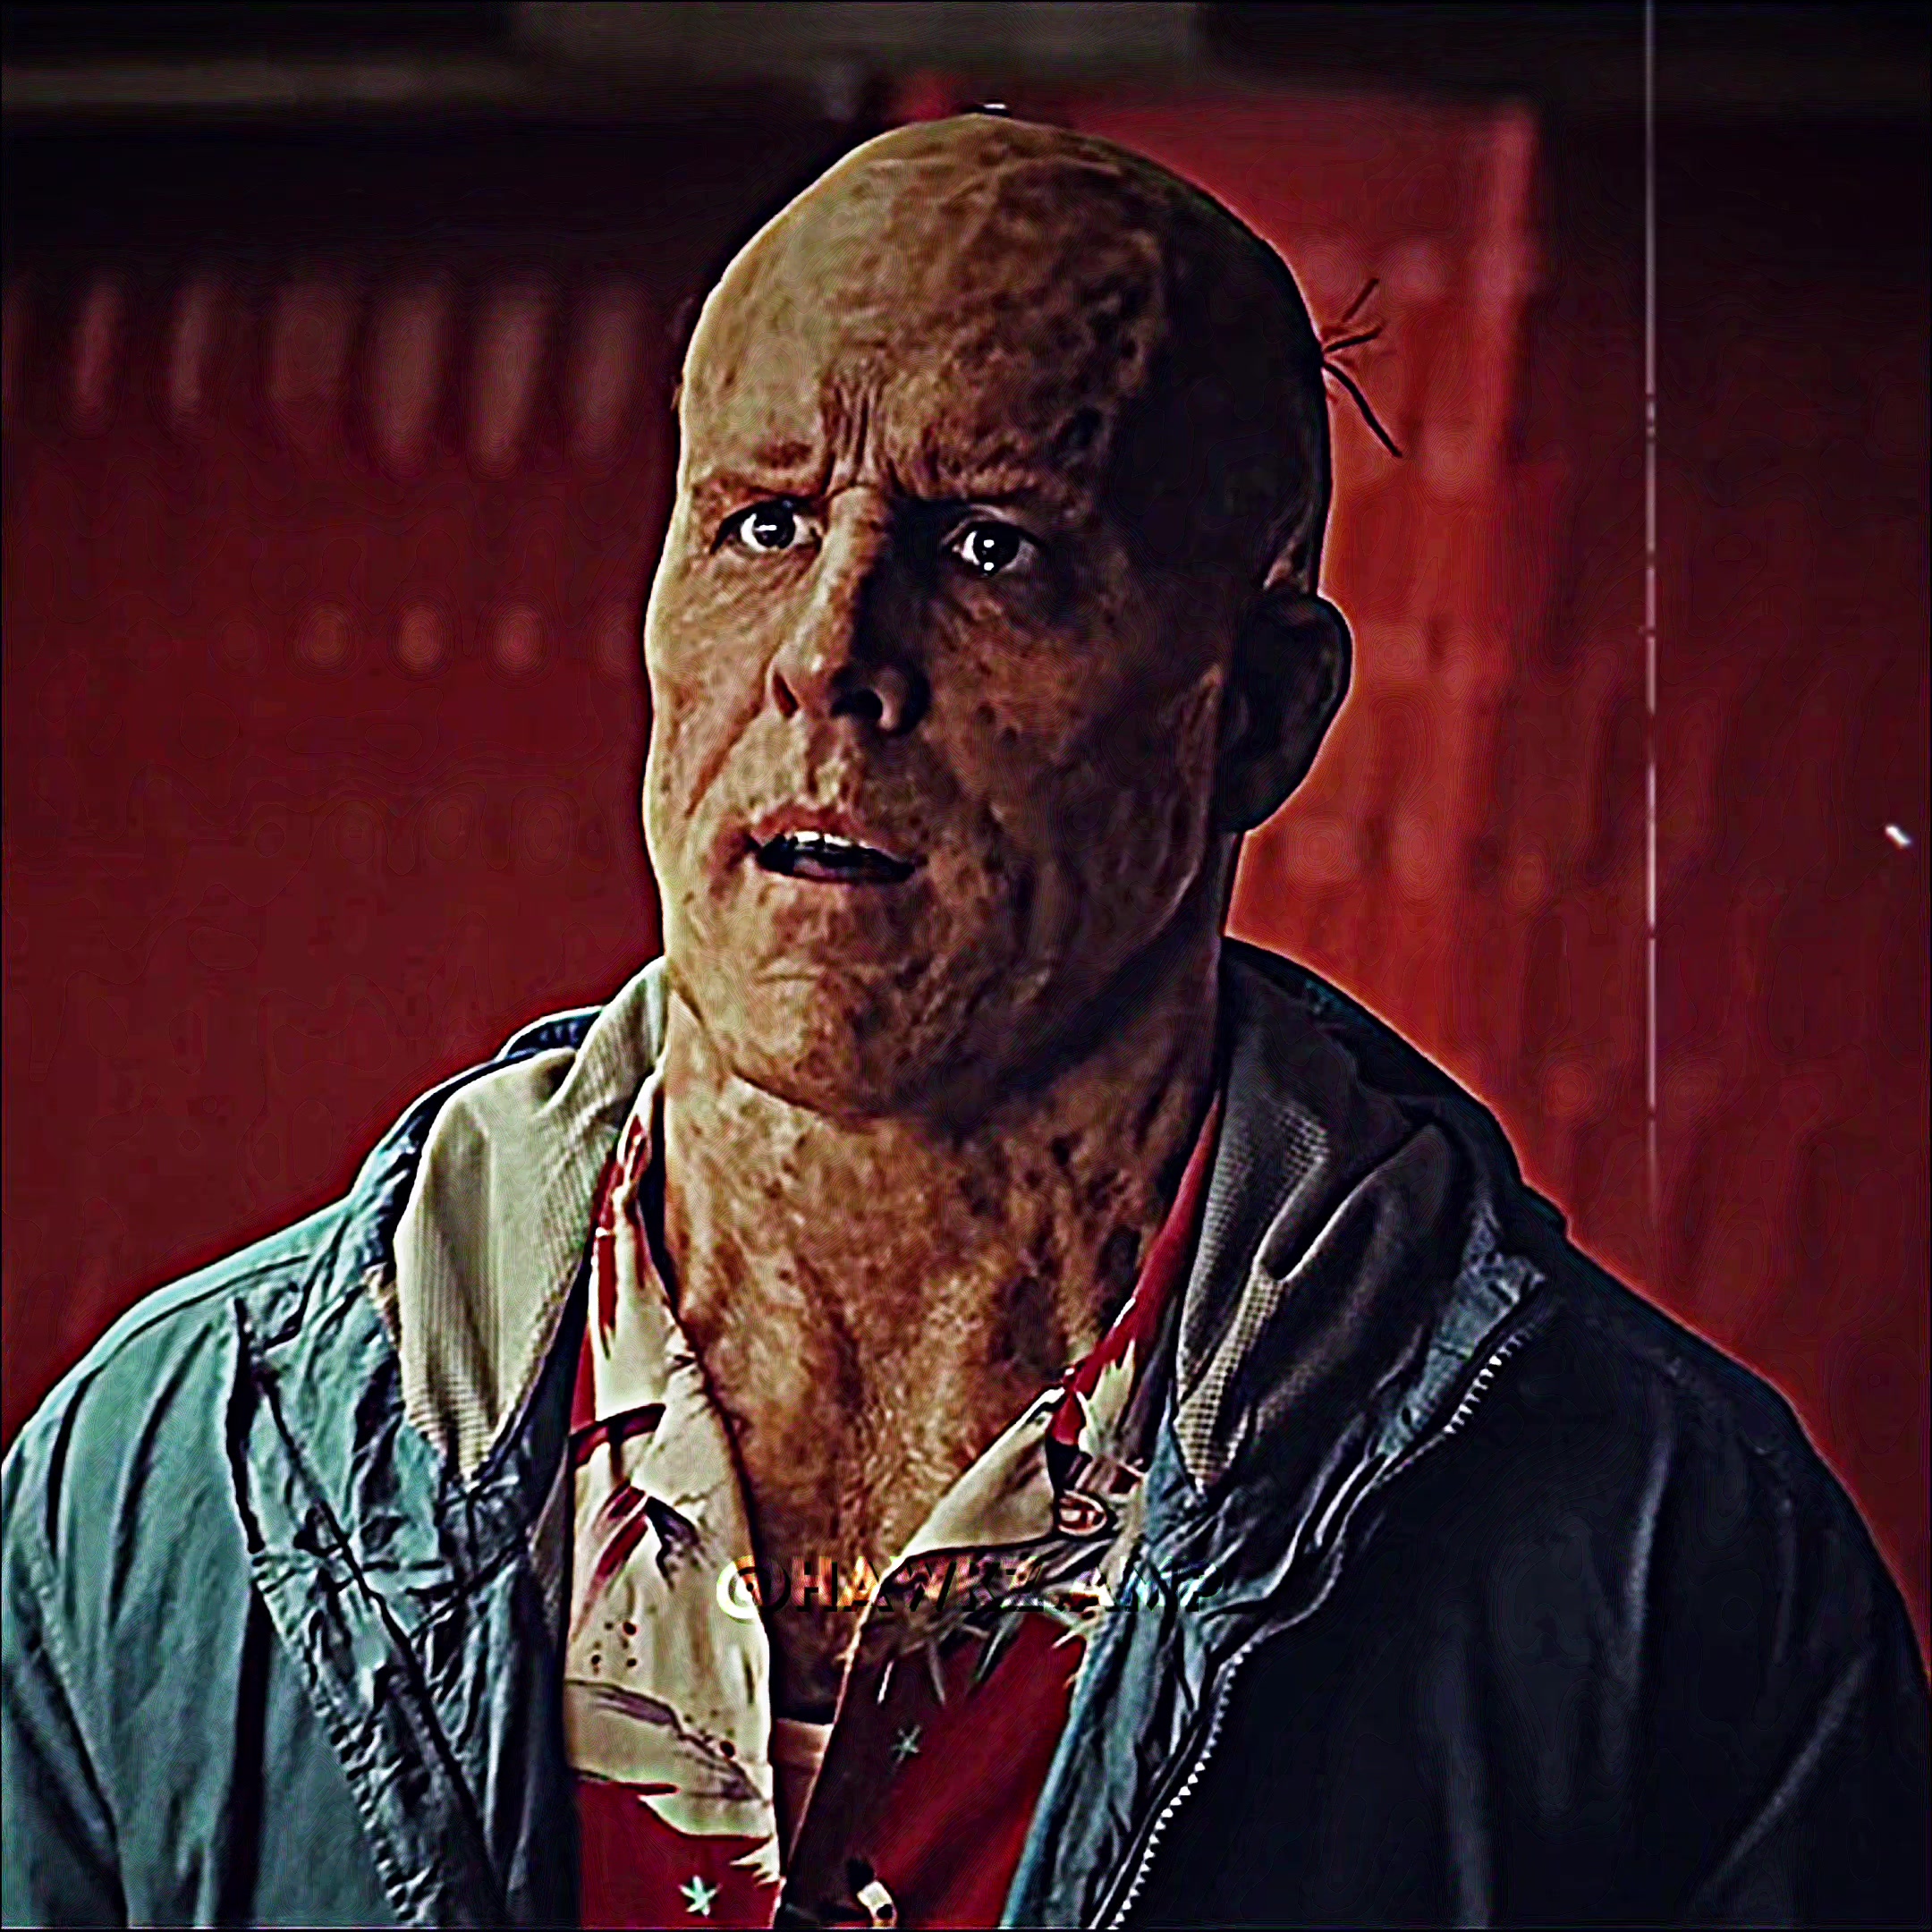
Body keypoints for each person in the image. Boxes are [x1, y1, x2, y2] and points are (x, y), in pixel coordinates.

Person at [3, 114, 1925, 1930]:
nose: (829, 654)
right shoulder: (163, 1495)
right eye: (763, 525)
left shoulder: (1673, 1581)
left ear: (1261, 712)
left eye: (994, 545)